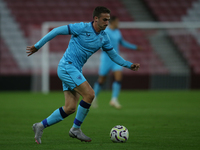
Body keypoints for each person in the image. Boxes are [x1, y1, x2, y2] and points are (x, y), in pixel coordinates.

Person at [26, 6, 140, 144]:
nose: (107, 23)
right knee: (90, 95)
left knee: (70, 108)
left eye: (108, 20)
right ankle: (75, 129)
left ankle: (40, 126)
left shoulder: (104, 37)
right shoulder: (81, 28)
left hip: (74, 70)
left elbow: (113, 55)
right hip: (67, 66)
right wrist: (37, 46)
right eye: (104, 20)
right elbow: (56, 31)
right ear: (96, 19)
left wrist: (129, 65)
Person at [93, 16, 141, 109]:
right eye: (117, 22)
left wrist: (135, 47)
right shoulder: (106, 32)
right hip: (106, 59)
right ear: (113, 22)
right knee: (102, 80)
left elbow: (122, 43)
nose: (118, 23)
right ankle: (94, 97)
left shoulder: (118, 32)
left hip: (116, 59)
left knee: (118, 78)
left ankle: (114, 99)